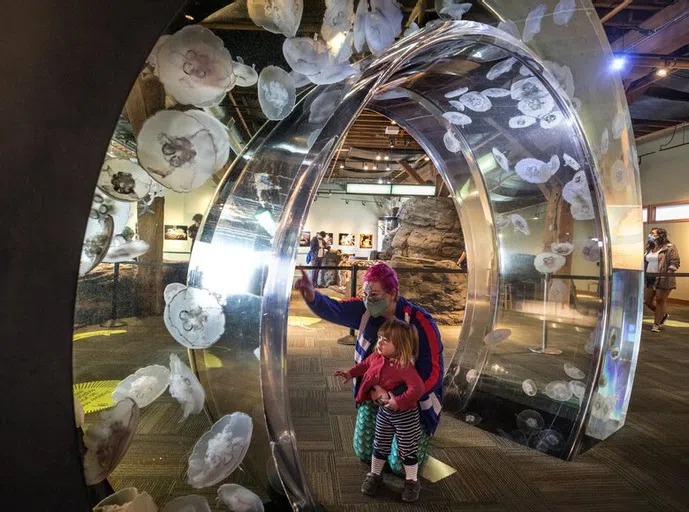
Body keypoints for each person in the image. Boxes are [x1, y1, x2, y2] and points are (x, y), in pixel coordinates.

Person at [295, 261, 443, 474]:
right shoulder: (365, 311)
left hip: (413, 401)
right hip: (374, 393)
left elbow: (432, 374)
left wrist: (395, 396)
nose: (367, 301)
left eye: (374, 295)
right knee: (365, 453)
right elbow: (336, 309)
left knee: (400, 465)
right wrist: (312, 295)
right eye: (365, 294)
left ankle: (415, 436)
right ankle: (391, 435)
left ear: (393, 293)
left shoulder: (420, 323)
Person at [335, 318, 425, 502]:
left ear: (400, 345)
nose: (380, 342)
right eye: (380, 337)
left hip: (405, 415)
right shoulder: (377, 356)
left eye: (386, 340)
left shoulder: (404, 366)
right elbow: (364, 365)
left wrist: (398, 401)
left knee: (407, 449)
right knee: (380, 443)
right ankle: (375, 475)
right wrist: (350, 372)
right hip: (385, 413)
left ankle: (412, 482)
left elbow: (417, 389)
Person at [644, 227, 680, 332]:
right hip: (649, 278)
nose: (651, 235)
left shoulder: (669, 247)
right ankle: (662, 315)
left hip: (663, 278)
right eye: (650, 233)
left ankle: (656, 324)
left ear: (661, 235)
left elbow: (675, 262)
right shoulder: (649, 248)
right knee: (647, 301)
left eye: (653, 233)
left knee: (660, 301)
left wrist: (667, 274)